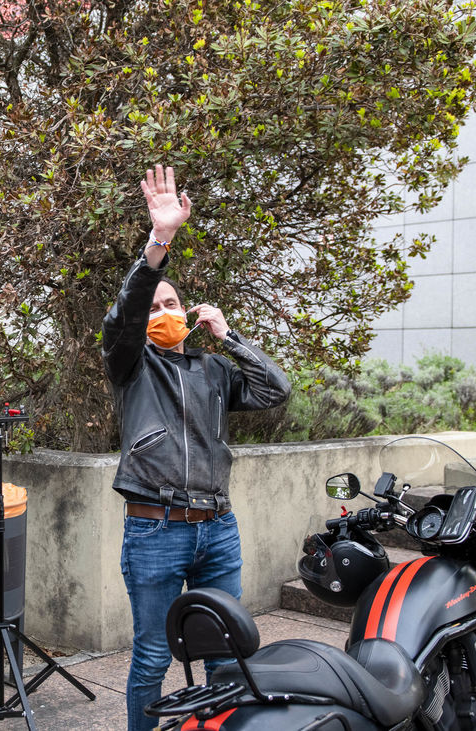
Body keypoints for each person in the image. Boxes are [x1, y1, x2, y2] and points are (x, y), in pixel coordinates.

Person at [102, 165, 292, 731]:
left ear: (187, 313)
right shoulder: (131, 364)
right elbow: (125, 313)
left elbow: (274, 390)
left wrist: (229, 337)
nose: (162, 313)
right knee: (154, 658)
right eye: (155, 307)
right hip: (156, 529)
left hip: (218, 529)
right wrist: (160, 241)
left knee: (224, 653)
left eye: (171, 304)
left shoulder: (212, 370)